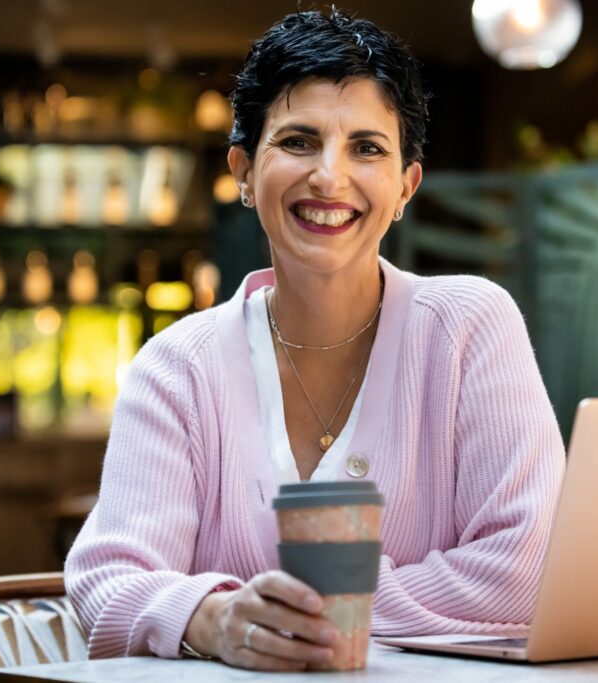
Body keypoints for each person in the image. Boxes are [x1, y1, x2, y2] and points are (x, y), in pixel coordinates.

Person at [65, 8, 565, 672]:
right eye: (298, 140)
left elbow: (533, 569)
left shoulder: (469, 328)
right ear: (243, 171)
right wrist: (218, 618)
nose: (330, 177)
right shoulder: (176, 367)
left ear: (404, 187)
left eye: (367, 147)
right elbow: (107, 579)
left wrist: (300, 617)